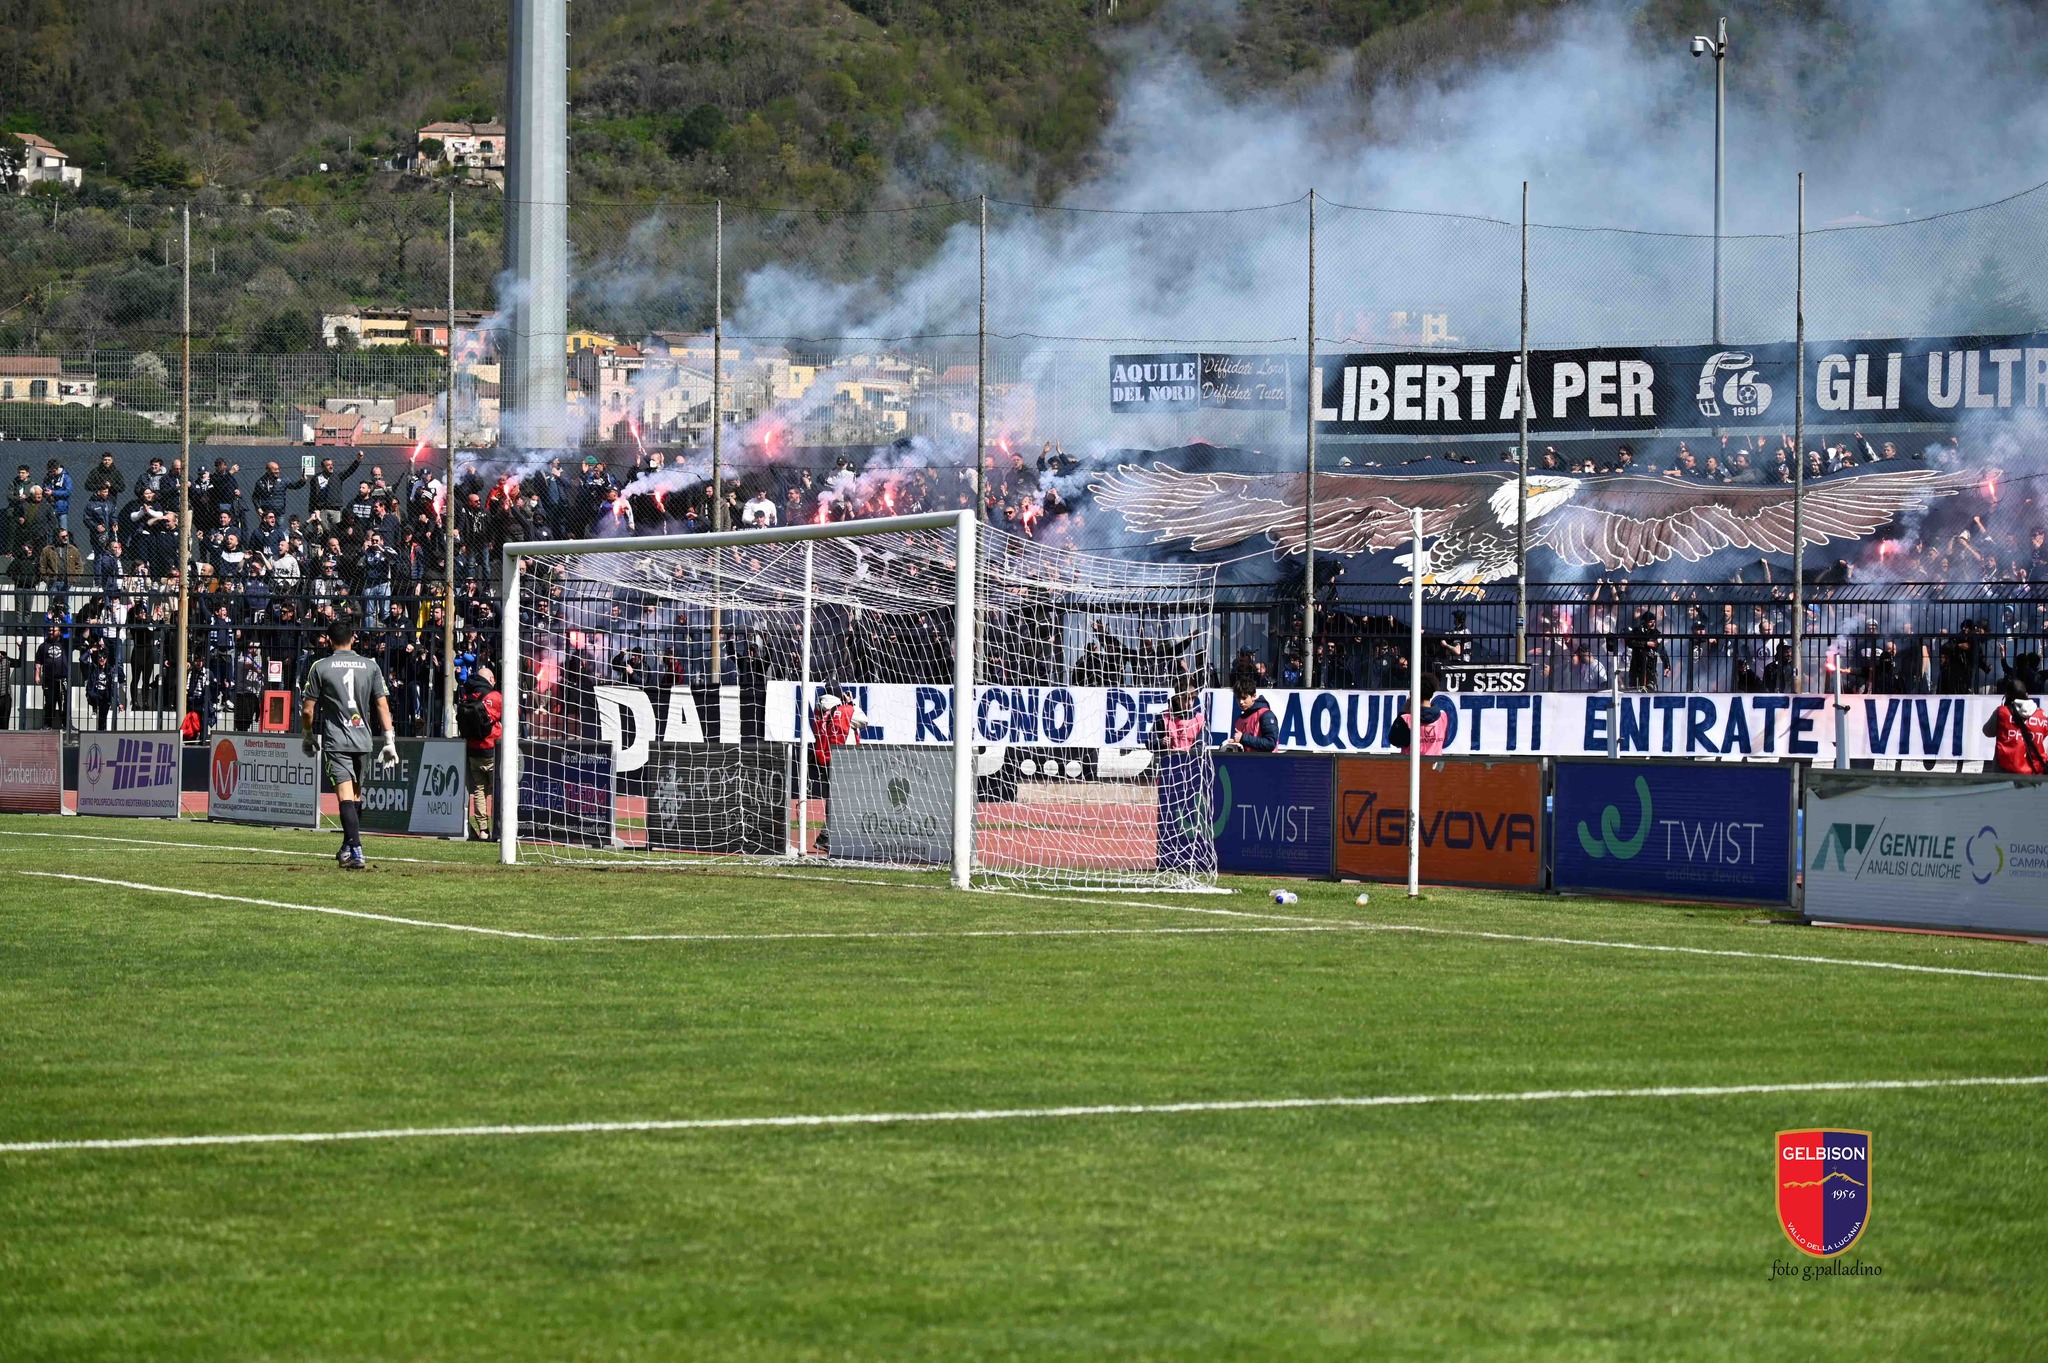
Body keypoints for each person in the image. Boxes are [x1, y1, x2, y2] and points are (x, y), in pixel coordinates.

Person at [300, 616, 399, 871]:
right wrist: (389, 740)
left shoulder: (320, 667)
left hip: (337, 741)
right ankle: (348, 845)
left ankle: (356, 850)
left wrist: (308, 735)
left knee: (345, 797)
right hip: (363, 740)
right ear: (353, 638)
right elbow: (382, 704)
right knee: (355, 796)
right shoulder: (371, 666)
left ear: (329, 641)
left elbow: (308, 709)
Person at [809, 683, 866, 852]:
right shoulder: (846, 710)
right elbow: (864, 721)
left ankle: (829, 836)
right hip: (842, 758)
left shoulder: (819, 709)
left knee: (833, 797)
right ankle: (826, 836)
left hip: (823, 757)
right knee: (842, 798)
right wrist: (851, 704)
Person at [456, 661, 503, 841]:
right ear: (491, 679)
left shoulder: (467, 694)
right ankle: (499, 828)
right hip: (492, 748)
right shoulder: (495, 696)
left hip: (472, 750)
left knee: (479, 790)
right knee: (498, 789)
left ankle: (483, 830)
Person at [1983, 677, 2048, 775]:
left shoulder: (2001, 713)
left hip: (2003, 774)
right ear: (2026, 695)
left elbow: (1987, 731)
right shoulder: (2041, 715)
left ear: (2007, 696)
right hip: (2034, 774)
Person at [1388, 671, 1452, 755]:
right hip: (1435, 765)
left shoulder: (1406, 719)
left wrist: (1404, 713)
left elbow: (1395, 740)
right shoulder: (1443, 717)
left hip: (1411, 765)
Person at [1151, 677, 1206, 752]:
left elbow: (1200, 746)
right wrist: (1160, 742)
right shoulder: (1163, 718)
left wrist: (1186, 756)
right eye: (1186, 699)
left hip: (1191, 760)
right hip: (1167, 760)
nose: (1190, 703)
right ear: (1177, 699)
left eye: (1192, 699)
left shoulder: (1199, 720)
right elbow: (1150, 743)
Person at [1218, 683, 1277, 753]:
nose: (1241, 702)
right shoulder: (1239, 720)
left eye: (1244, 698)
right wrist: (1235, 743)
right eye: (1238, 698)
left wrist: (1243, 738)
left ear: (1254, 696)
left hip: (1266, 762)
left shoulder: (1266, 715)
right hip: (1247, 761)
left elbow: (1270, 743)